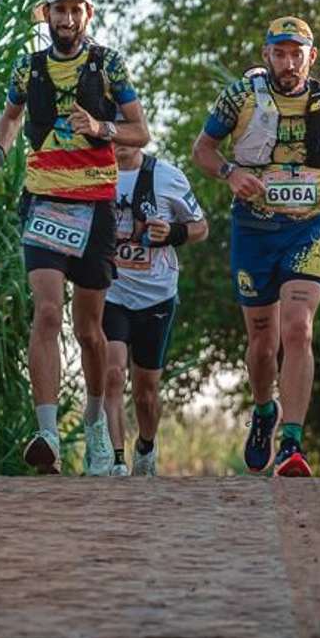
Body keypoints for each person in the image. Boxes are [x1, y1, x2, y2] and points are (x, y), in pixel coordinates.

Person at [0, 0, 151, 474]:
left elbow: (142, 129)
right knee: (48, 312)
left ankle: (95, 424)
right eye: (59, 10)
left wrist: (101, 128)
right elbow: (10, 117)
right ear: (46, 16)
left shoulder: (108, 64)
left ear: (87, 15)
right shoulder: (29, 68)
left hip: (94, 204)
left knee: (89, 330)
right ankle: (47, 431)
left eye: (76, 10)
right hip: (44, 200)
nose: (67, 19)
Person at [191, 16, 320, 477]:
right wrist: (230, 173)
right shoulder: (240, 97)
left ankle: (292, 443)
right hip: (253, 230)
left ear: (312, 56)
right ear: (266, 55)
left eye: (297, 54)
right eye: (280, 53)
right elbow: (202, 149)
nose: (289, 63)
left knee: (298, 328)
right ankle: (265, 409)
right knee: (263, 345)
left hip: (308, 230)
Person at [93, 144, 209, 476]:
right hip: (112, 291)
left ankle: (145, 446)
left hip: (156, 296)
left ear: (141, 134)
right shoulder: (95, 172)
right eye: (115, 127)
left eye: (130, 128)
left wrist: (173, 232)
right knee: (113, 375)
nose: (123, 138)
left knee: (146, 393)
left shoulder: (168, 177)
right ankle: (116, 460)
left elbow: (201, 227)